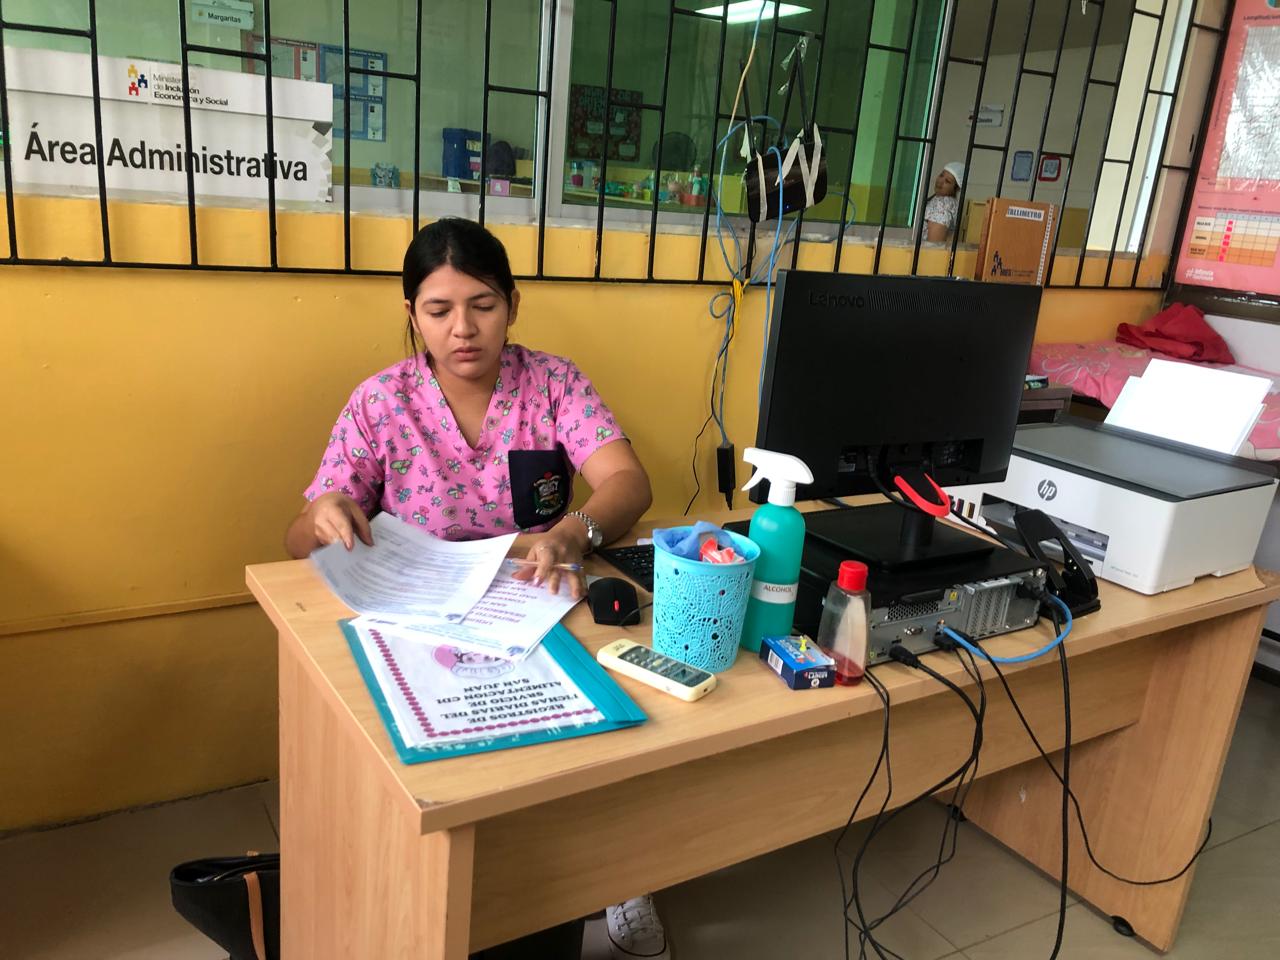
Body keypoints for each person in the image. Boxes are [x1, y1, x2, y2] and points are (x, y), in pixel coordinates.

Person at [284, 217, 668, 960]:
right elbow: (300, 539)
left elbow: (627, 480)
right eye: (439, 310)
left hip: (537, 598)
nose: (463, 329)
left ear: (513, 305)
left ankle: (616, 872)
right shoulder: (381, 402)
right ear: (412, 315)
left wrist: (574, 531)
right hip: (422, 616)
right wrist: (323, 515)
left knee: (603, 735)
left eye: (483, 305)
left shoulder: (553, 383)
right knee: (451, 779)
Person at [924, 161, 965, 242]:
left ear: (956, 189)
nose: (940, 181)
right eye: (941, 175)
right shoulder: (938, 198)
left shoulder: (943, 206)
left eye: (947, 181)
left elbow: (933, 245)